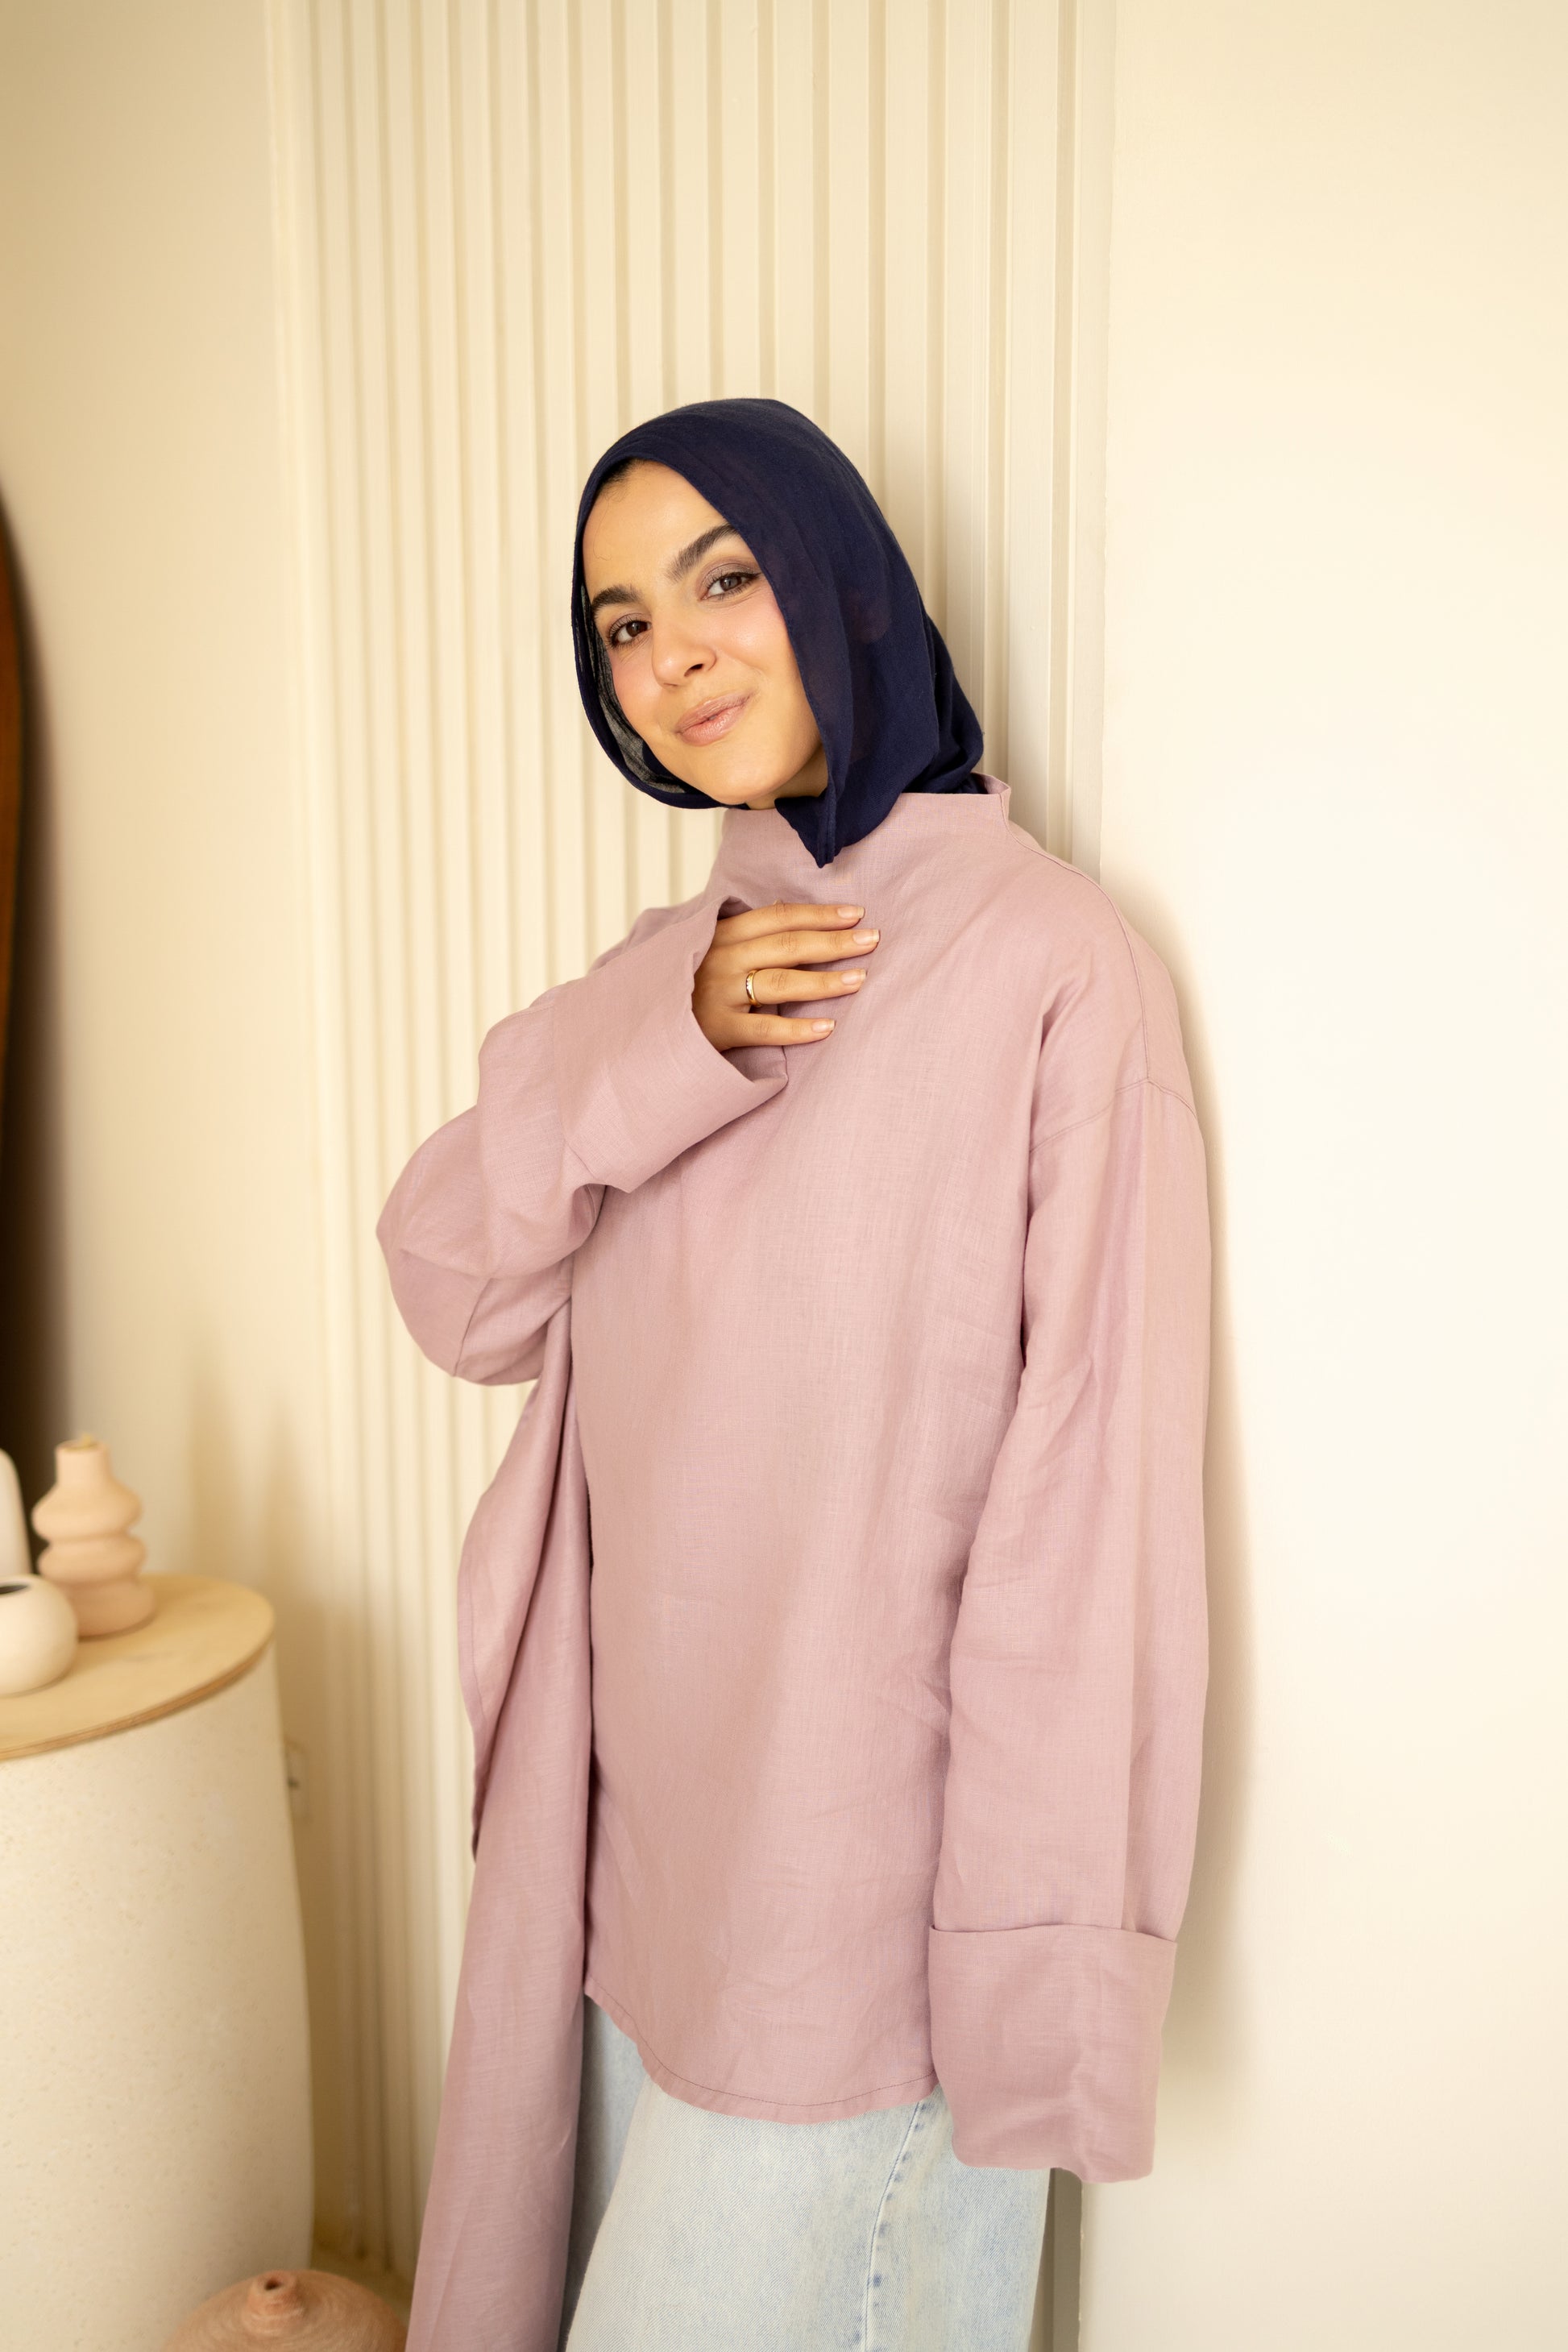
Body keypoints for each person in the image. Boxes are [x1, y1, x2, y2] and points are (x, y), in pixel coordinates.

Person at [378, 397, 1212, 2352]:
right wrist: (656, 1024)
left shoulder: (1051, 966)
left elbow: (1087, 1505)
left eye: (721, 577)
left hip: (860, 1924)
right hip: (627, 1883)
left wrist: (1028, 1954)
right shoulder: (665, 965)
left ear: (846, 585)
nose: (669, 653)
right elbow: (454, 1291)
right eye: (619, 624)